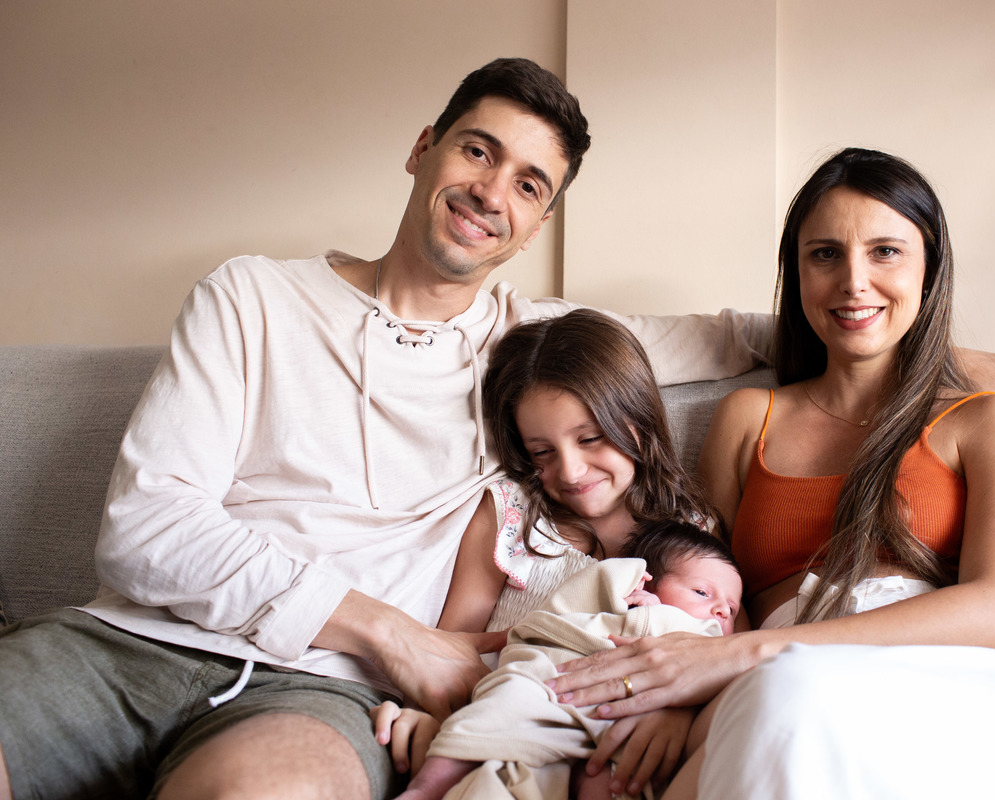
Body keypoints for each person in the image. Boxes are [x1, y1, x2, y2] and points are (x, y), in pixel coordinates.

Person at [0, 58, 768, 800]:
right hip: (124, 645)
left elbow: (739, 336)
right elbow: (146, 527)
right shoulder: (250, 296)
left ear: (536, 227)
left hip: (320, 690)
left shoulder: (533, 351)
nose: (491, 192)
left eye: (528, 185)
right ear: (422, 148)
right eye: (478, 151)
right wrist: (395, 636)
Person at [547, 148, 995, 800]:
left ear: (929, 268)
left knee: (788, 697)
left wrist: (741, 658)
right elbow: (706, 583)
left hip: (959, 676)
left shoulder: (991, 420)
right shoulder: (748, 417)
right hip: (771, 683)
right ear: (797, 274)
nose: (854, 281)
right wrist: (686, 690)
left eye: (885, 252)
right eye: (825, 254)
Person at [373, 310, 722, 799]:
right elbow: (451, 647)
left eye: (590, 439)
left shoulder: (694, 531)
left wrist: (679, 710)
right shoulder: (510, 516)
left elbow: (724, 648)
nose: (571, 471)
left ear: (639, 418)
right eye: (542, 452)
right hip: (506, 732)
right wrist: (424, 716)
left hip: (619, 747)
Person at [375, 520, 741, 800]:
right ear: (645, 581)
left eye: (732, 609)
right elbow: (564, 618)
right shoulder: (622, 594)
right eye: (702, 592)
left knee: (611, 774)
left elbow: (725, 671)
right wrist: (641, 606)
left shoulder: (710, 643)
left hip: (622, 718)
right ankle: (427, 788)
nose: (721, 610)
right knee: (503, 703)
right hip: (552, 688)